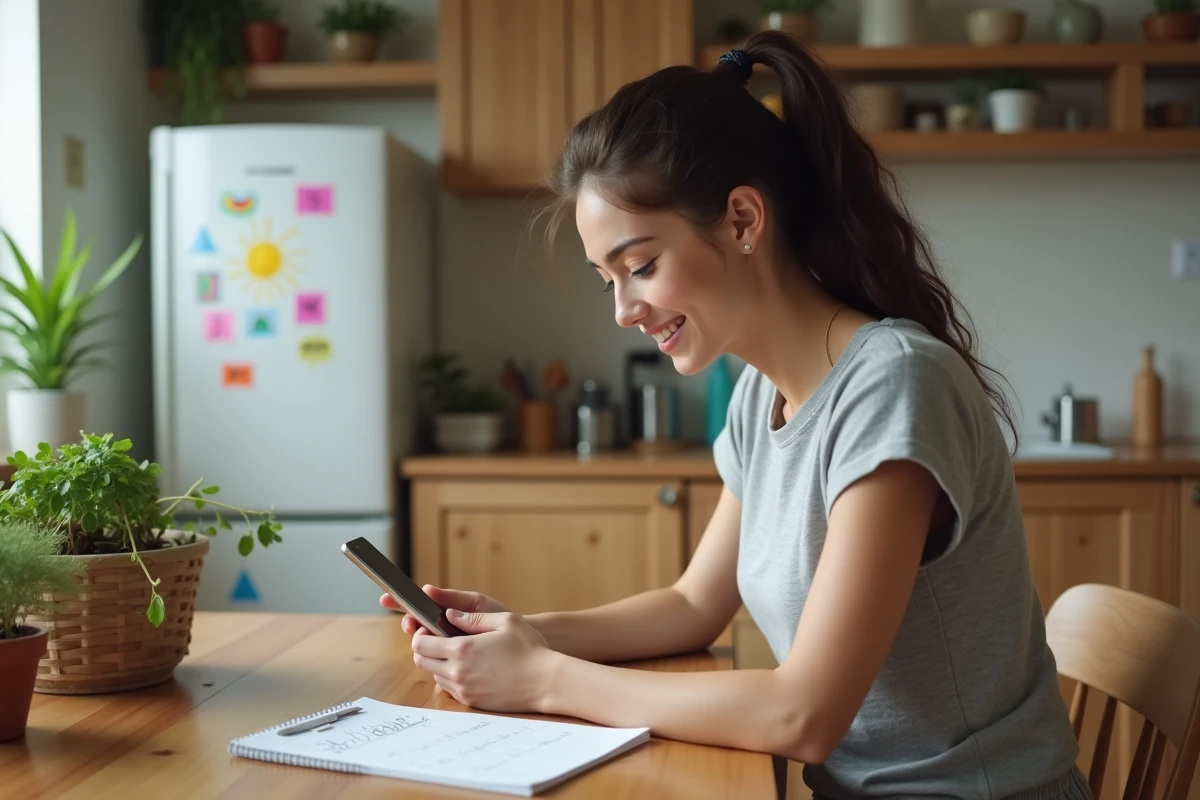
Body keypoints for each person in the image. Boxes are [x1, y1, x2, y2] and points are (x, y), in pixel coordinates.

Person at [382, 31, 1090, 799]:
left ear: (744, 220)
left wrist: (545, 679)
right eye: (608, 280)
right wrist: (517, 633)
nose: (624, 309)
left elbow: (804, 716)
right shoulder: (761, 395)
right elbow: (691, 607)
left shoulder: (893, 385)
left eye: (641, 266)